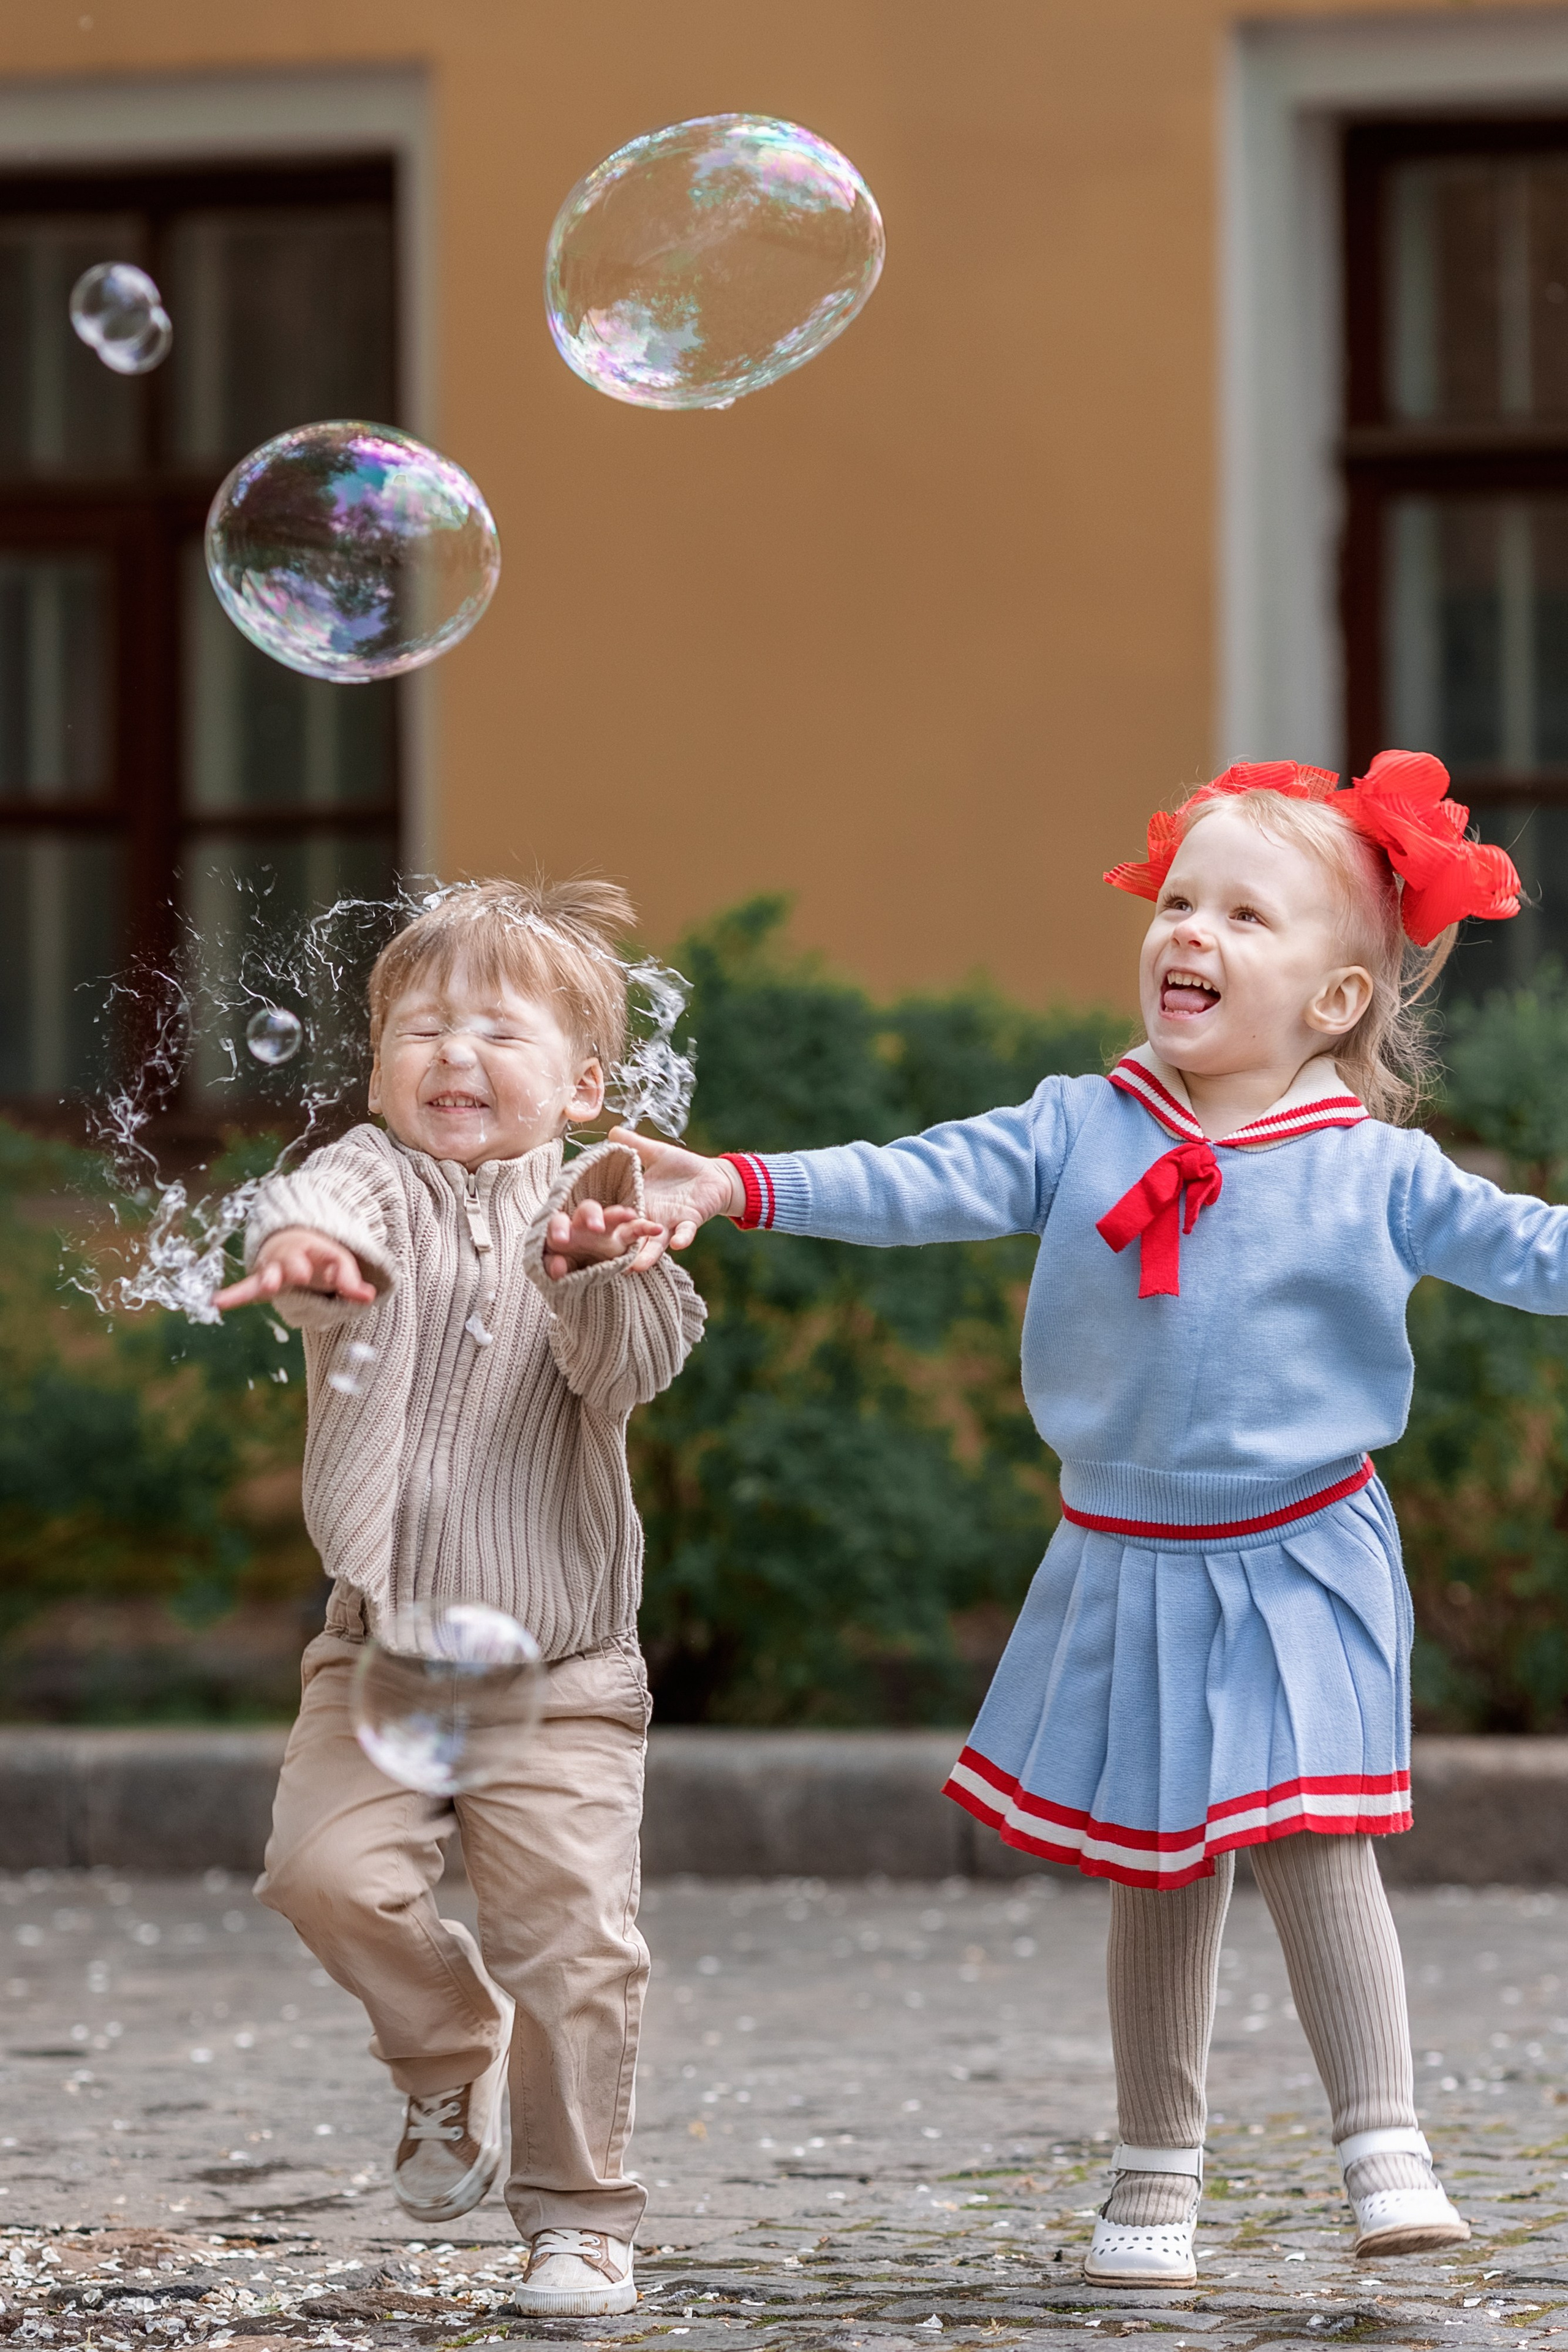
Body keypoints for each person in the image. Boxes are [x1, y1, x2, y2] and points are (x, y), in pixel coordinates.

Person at [608, 752, 1544, 2287]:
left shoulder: (1375, 1171)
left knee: (1314, 1838)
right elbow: (910, 1180)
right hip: (1129, 1551)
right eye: (1179, 900)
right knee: (1162, 1859)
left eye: (1247, 914)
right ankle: (1153, 2170)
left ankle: (1386, 2153)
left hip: (1304, 1545)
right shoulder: (1073, 1124)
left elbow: (1529, 1251)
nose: (1191, 932)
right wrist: (731, 1182)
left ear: (1332, 1004)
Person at [213, 878, 704, 2316]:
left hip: (561, 1669)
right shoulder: (369, 1182)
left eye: (497, 1030)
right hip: (385, 1653)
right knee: (322, 1876)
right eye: (419, 1030)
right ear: (377, 1072)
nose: (453, 1057)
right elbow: (309, 1215)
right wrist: (302, 1259)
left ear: (583, 1083)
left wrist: (593, 1275)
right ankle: (443, 2050)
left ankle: (577, 2217)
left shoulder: (603, 1201)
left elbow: (634, 1366)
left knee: (575, 1946)